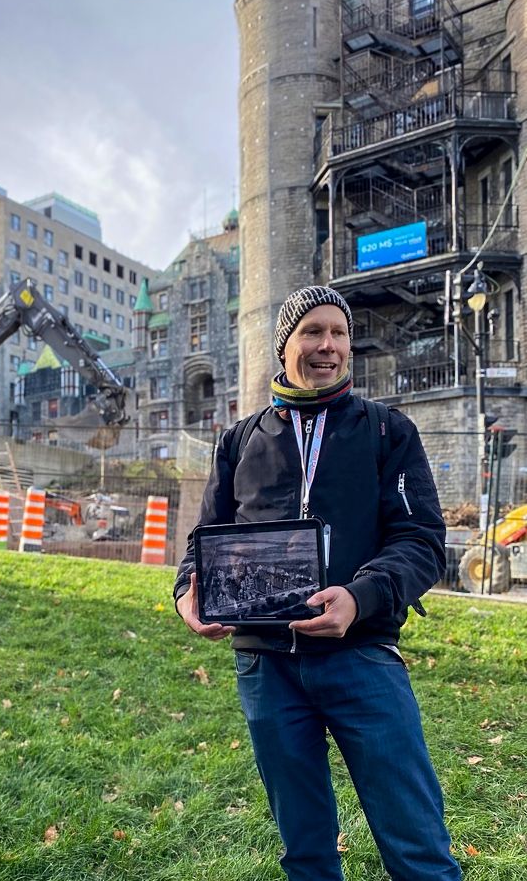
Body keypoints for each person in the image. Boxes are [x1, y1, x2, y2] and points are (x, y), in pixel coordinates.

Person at [174, 286, 461, 881]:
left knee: (417, 847)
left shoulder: (388, 433)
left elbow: (422, 542)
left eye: (338, 332)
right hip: (266, 668)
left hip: (361, 655)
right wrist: (187, 591)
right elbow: (206, 539)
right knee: (305, 852)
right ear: (285, 347)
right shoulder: (240, 440)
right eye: (311, 332)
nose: (327, 345)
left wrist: (361, 597)